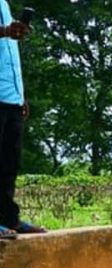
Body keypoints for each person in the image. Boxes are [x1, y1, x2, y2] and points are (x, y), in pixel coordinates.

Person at [0, 1, 44, 240]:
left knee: (9, 163)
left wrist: (20, 95)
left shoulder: (4, 4)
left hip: (11, 97)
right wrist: (5, 31)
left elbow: (9, 55)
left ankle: (8, 219)